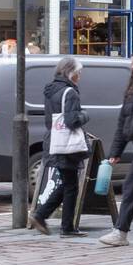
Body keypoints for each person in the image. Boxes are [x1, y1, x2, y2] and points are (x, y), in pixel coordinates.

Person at [29, 57, 89, 238]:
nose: (80, 77)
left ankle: (42, 216)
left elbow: (51, 120)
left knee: (67, 183)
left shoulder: (51, 90)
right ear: (71, 73)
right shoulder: (70, 92)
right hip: (67, 145)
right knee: (71, 186)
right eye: (78, 73)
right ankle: (65, 227)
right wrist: (84, 115)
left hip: (54, 141)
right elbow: (71, 121)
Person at [99, 51, 133, 247]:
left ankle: (120, 232)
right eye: (132, 62)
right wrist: (115, 152)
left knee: (131, 186)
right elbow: (123, 123)